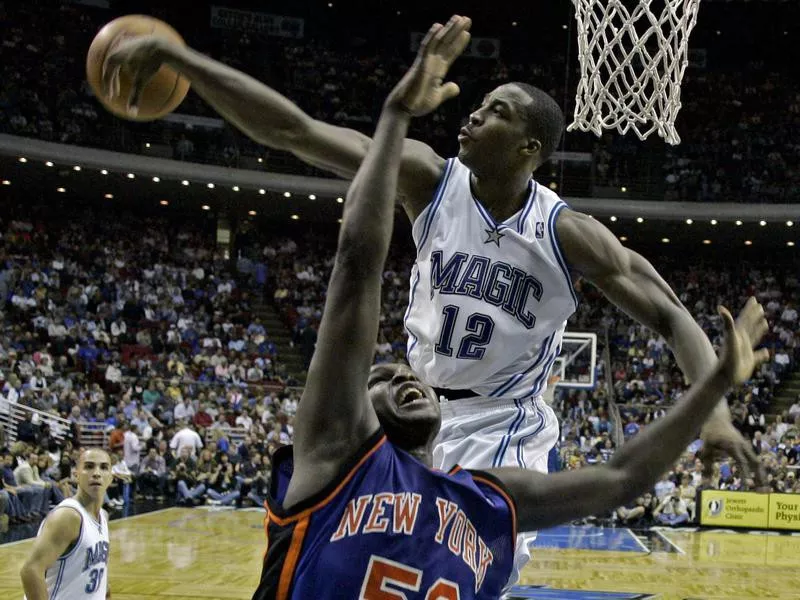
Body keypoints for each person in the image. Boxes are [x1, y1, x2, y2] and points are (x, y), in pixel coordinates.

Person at [106, 17, 769, 596]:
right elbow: (296, 132)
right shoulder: (430, 178)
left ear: (528, 148)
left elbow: (672, 313)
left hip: (501, 425)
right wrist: (184, 59)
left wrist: (713, 415)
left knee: (458, 567)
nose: (473, 115)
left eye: (497, 111)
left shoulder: (565, 233)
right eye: (479, 104)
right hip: (407, 415)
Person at [20, 448, 113, 600]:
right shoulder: (69, 516)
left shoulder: (103, 516)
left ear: (111, 477)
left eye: (103, 467)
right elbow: (31, 570)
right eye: (89, 466)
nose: (96, 473)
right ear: (76, 475)